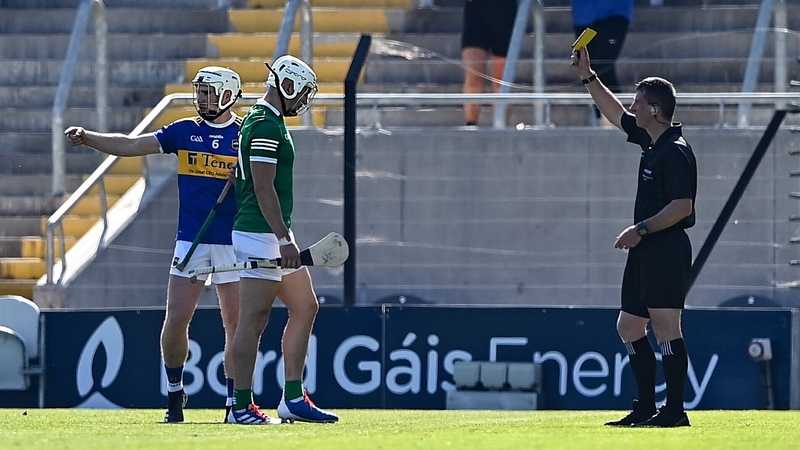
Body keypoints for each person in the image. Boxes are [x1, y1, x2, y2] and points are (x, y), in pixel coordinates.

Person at [64, 66, 244, 423]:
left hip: (234, 243)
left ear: (228, 95)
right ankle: (175, 394)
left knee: (235, 324)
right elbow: (131, 145)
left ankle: (233, 402)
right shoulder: (185, 131)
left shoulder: (246, 134)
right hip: (191, 241)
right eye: (201, 91)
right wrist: (88, 138)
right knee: (175, 320)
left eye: (210, 92)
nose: (203, 98)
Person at [571, 46, 696, 427]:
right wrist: (588, 76)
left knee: (666, 328)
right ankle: (645, 407)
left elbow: (683, 207)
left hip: (665, 248)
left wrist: (640, 229)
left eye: (639, 102)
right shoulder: (651, 142)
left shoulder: (675, 151)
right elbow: (615, 114)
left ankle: (674, 412)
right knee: (628, 326)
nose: (633, 107)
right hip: (645, 249)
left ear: (655, 110)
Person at [226, 55, 338, 425]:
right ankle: (240, 406)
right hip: (262, 233)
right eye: (301, 91)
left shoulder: (265, 121)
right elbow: (262, 186)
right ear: (286, 85)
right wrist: (284, 238)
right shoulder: (264, 123)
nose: (303, 100)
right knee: (252, 322)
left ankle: (293, 397)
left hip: (270, 232)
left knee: (305, 306)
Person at [571, 0, 633, 127]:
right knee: (588, 69)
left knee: (604, 68)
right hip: (583, 11)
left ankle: (623, 124)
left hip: (616, 11)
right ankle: (602, 123)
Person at [460, 0, 518, 126]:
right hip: (475, 10)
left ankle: (502, 128)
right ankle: (471, 127)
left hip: (505, 10)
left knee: (501, 80)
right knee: (473, 73)